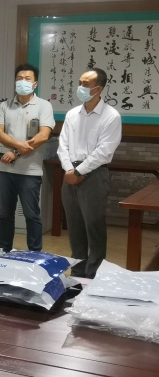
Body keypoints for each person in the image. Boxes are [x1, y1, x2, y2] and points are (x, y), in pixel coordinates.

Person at [57, 68, 122, 279]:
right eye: (80, 83)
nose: (80, 87)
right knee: (74, 226)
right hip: (70, 174)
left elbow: (104, 151)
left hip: (93, 174)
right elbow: (62, 145)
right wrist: (69, 169)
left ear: (98, 89)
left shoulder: (111, 116)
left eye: (85, 84)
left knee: (93, 225)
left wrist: (78, 170)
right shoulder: (72, 114)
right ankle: (78, 271)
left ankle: (94, 273)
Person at [0, 63, 55, 254]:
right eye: (19, 78)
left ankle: (34, 252)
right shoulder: (5, 105)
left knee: (31, 215)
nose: (23, 82)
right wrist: (18, 146)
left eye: (27, 79)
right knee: (5, 214)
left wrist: (16, 152)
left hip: (30, 171)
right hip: (5, 169)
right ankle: (3, 249)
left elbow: (43, 136)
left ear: (35, 84)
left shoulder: (44, 106)